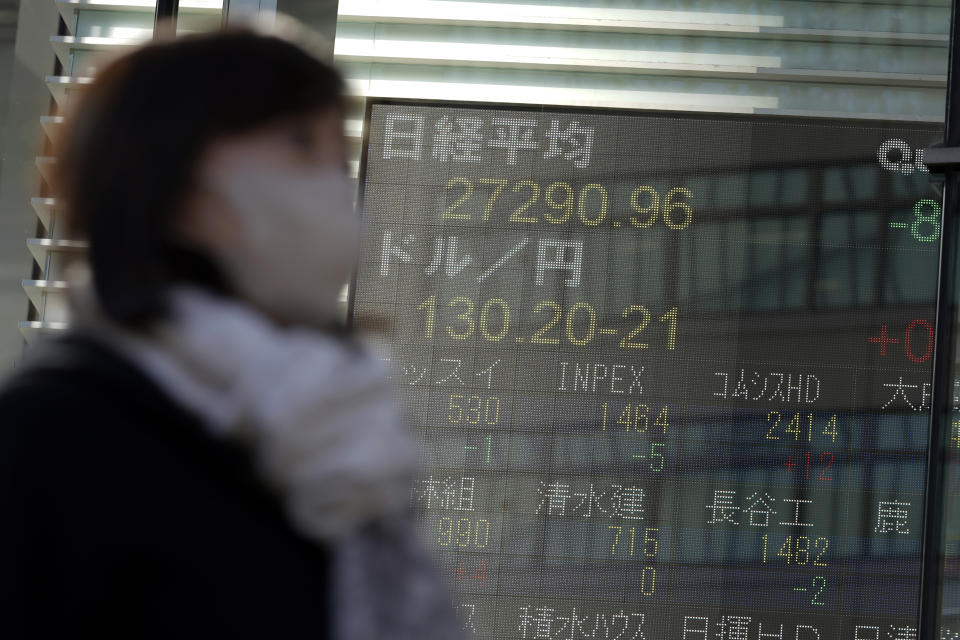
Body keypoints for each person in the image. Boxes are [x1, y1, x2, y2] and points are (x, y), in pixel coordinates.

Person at [0, 26, 462, 640]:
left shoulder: (337, 428)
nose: (334, 186)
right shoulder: (57, 428)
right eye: (301, 145)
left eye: (337, 158)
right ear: (178, 176)